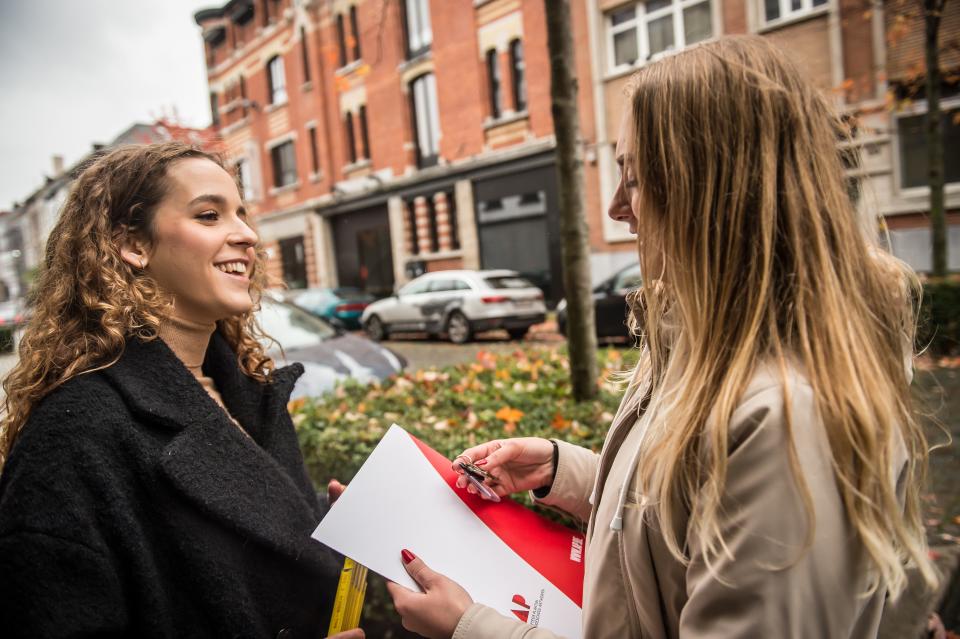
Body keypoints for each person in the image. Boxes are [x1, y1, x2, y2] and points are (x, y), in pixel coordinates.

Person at [386, 36, 938, 638]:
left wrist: (470, 627)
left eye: (636, 177)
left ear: (718, 194)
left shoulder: (786, 417)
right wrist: (559, 471)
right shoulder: (714, 343)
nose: (619, 206)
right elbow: (686, 515)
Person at [0, 142, 363, 639]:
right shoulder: (73, 435)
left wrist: (336, 517)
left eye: (241, 213)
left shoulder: (245, 389)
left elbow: (255, 536)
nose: (248, 235)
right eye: (210, 215)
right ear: (134, 244)